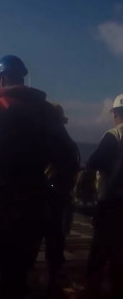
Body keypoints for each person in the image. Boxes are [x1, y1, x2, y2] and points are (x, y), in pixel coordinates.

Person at [0, 55, 77, 299]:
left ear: (0, 80)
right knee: (15, 279)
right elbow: (69, 156)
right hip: (32, 206)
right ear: (22, 78)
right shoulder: (48, 113)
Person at [80, 93, 123, 299]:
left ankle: (92, 291)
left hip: (111, 204)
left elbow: (95, 161)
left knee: (100, 250)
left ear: (115, 113)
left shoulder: (114, 135)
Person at [40, 102, 81, 295]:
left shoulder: (48, 136)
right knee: (56, 239)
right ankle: (54, 278)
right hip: (62, 195)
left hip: (47, 195)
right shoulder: (68, 140)